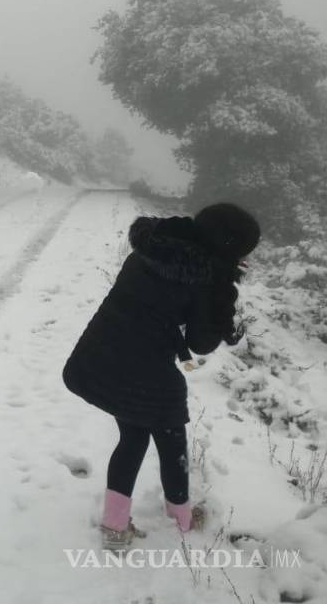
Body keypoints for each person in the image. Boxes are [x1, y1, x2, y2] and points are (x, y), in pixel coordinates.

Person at [63, 204, 260, 551]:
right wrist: (222, 303)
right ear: (228, 247)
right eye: (242, 252)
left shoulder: (153, 247)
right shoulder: (206, 279)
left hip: (100, 354)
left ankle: (115, 524)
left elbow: (156, 305)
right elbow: (200, 343)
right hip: (144, 371)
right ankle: (182, 518)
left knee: (134, 436)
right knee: (171, 440)